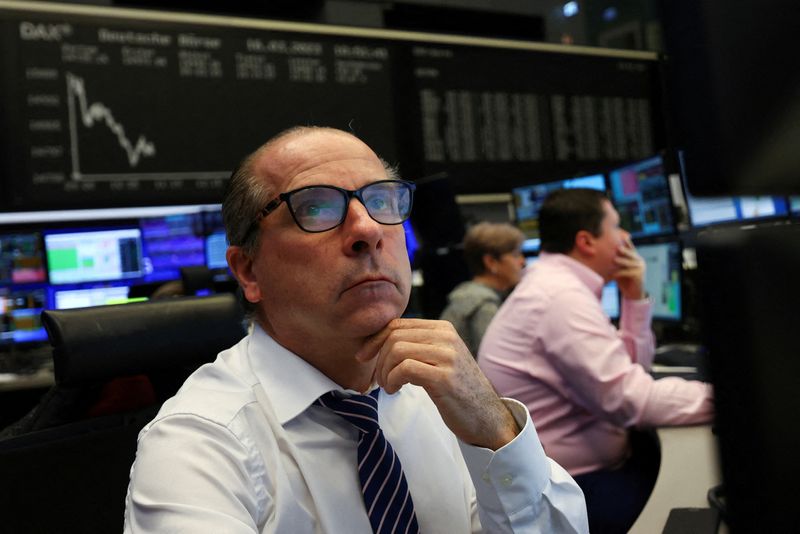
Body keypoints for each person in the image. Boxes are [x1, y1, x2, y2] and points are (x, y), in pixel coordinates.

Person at [123, 126, 588, 533]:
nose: (368, 228)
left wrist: (495, 432)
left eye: (382, 200)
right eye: (316, 208)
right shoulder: (198, 443)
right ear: (248, 272)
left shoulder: (437, 391)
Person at [479, 188, 714, 534]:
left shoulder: (553, 286)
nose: (626, 238)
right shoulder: (559, 298)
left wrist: (633, 297)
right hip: (577, 488)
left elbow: (631, 373)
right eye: (617, 227)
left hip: (572, 476)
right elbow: (631, 400)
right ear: (587, 242)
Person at [440, 222, 525, 356]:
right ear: (491, 262)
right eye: (515, 255)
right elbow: (495, 365)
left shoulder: (468, 295)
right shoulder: (484, 307)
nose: (522, 261)